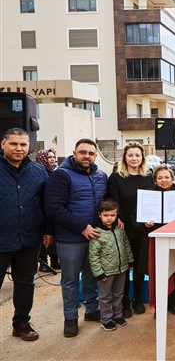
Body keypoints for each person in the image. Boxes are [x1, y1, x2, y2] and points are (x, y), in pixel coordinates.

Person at [45, 138, 107, 338]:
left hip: (94, 237)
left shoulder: (100, 175)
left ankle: (91, 310)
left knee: (91, 276)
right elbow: (54, 208)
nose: (86, 156)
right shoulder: (61, 176)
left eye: (90, 153)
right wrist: (82, 227)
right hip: (70, 239)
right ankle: (70, 318)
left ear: (96, 155)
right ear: (74, 153)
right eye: (83, 152)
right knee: (70, 280)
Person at [0, 128, 49, 341]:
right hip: (1, 239)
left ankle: (21, 323)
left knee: (25, 284)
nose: (19, 148)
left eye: (23, 144)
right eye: (14, 144)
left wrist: (48, 229)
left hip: (29, 238)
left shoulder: (39, 171)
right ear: (3, 145)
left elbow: (47, 204)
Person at [106, 142, 153, 317]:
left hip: (144, 229)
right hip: (124, 228)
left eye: (137, 155)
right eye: (130, 155)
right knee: (124, 268)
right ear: (124, 157)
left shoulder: (149, 176)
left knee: (140, 266)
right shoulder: (116, 177)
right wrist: (121, 220)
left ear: (142, 158)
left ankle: (138, 299)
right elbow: (114, 202)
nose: (134, 158)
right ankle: (124, 302)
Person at [88, 199, 134, 332]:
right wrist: (99, 273)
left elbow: (126, 245)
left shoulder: (120, 229)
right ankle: (106, 319)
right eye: (106, 215)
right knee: (105, 296)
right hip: (106, 272)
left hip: (121, 268)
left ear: (117, 214)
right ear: (99, 215)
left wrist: (130, 261)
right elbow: (93, 256)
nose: (109, 218)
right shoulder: (97, 233)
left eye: (112, 215)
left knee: (118, 293)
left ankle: (117, 315)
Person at [139, 165, 175, 315]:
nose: (164, 180)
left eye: (167, 177)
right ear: (155, 180)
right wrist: (144, 223)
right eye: (160, 178)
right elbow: (136, 216)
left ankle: (172, 304)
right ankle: (158, 306)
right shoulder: (148, 195)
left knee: (174, 271)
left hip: (174, 239)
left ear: (172, 179)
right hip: (154, 240)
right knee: (156, 273)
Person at [35, 149, 60, 272]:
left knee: (54, 237)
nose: (52, 159)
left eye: (53, 156)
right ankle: (43, 263)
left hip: (53, 209)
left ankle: (55, 261)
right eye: (49, 157)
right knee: (43, 238)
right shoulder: (38, 172)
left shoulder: (56, 171)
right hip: (41, 209)